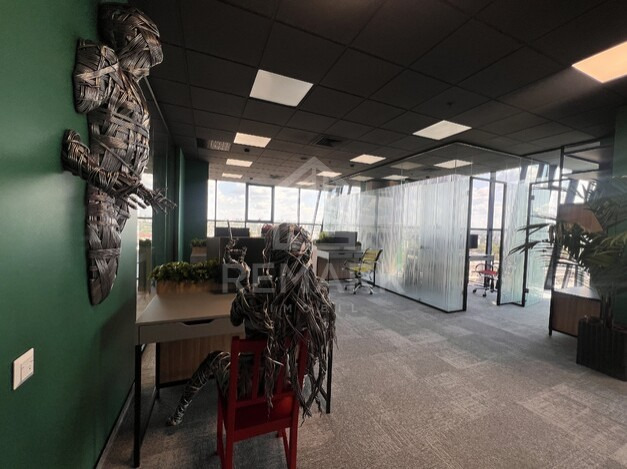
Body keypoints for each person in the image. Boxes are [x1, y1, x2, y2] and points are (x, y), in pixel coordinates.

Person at [166, 223, 335, 426]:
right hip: (287, 385)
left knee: (214, 358)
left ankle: (178, 413)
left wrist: (244, 282)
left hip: (246, 388)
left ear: (269, 256)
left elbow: (234, 319)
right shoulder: (316, 303)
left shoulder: (251, 297)